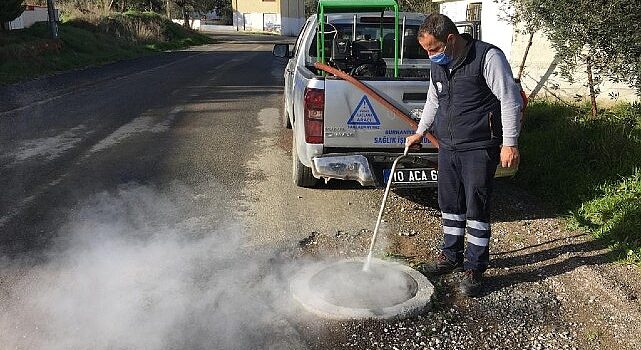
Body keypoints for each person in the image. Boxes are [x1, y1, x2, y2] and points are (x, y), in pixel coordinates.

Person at [405, 14, 523, 297]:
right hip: (449, 146)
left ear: (451, 39)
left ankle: (474, 266)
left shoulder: (487, 57)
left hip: (479, 145)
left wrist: (510, 143)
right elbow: (433, 100)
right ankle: (451, 255)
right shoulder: (439, 66)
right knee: (450, 203)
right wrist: (420, 132)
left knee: (476, 205)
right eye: (426, 51)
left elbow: (510, 100)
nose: (430, 55)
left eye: (433, 49)